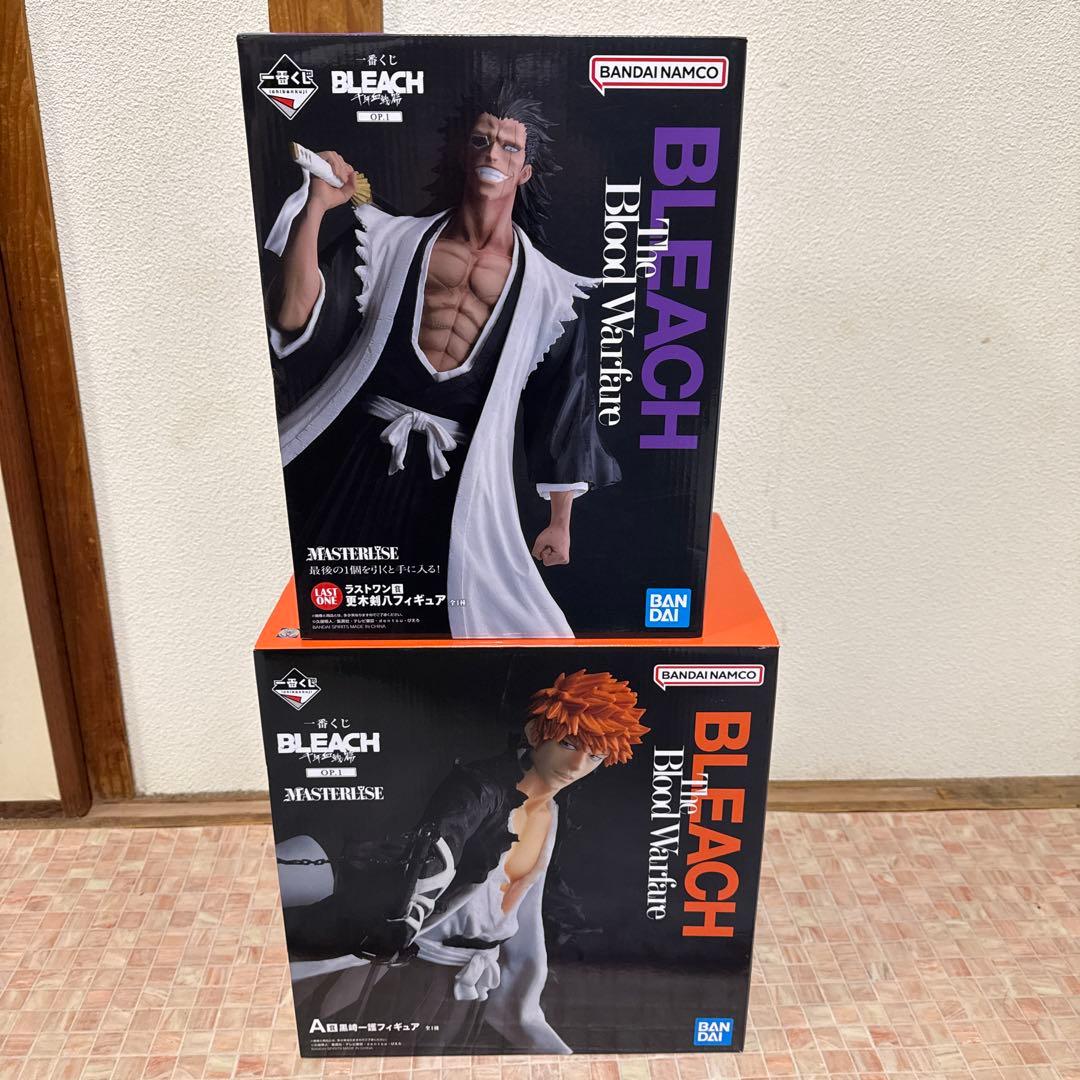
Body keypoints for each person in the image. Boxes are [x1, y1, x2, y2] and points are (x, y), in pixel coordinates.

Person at [264, 82, 620, 637]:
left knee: (445, 619)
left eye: (509, 146)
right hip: (356, 456)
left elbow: (563, 405)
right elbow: (292, 316)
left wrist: (560, 522)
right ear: (463, 153)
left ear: (525, 170)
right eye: (481, 140)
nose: (493, 153)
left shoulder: (551, 292)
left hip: (458, 481)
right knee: (330, 607)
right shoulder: (386, 239)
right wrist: (315, 206)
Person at [278, 669, 649, 1054]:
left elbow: (524, 908)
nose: (576, 766)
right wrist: (407, 918)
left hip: (474, 977)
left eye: (595, 755)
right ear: (536, 731)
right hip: (416, 965)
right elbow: (439, 848)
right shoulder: (479, 789)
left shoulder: (550, 814)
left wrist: (528, 979)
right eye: (569, 744)